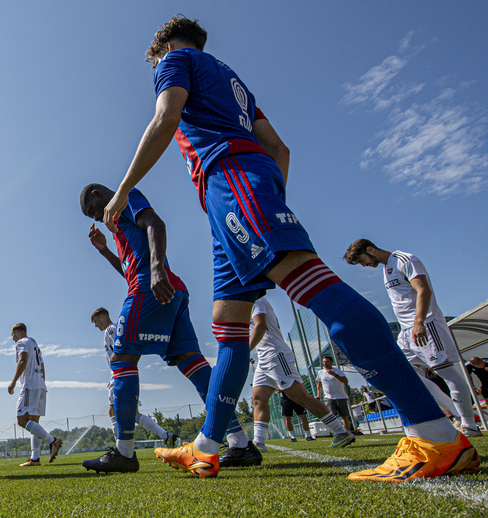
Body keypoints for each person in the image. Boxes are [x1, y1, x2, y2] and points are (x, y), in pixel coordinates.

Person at [106, 15, 476, 481]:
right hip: (240, 190)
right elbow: (279, 149)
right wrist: (270, 195)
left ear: (163, 48)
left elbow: (166, 117)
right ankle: (206, 447)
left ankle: (434, 435)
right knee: (227, 326)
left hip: (231, 180)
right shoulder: (235, 84)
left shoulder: (175, 60)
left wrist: (123, 191)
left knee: (314, 285)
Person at [80, 183, 259, 475]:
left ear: (99, 194)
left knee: (121, 359)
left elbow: (156, 223)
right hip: (170, 290)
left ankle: (124, 452)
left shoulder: (124, 198)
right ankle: (239, 441)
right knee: (193, 363)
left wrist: (156, 268)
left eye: (93, 210)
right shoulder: (119, 228)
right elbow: (128, 270)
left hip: (149, 287)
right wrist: (104, 251)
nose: (96, 217)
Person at [344, 240, 480, 438]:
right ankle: (456, 414)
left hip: (426, 324)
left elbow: (423, 289)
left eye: (361, 260)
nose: (363, 265)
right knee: (405, 374)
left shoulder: (405, 259)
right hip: (406, 331)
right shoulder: (387, 268)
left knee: (447, 372)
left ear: (370, 249)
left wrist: (419, 322)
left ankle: (470, 425)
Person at [249, 296, 354, 450]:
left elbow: (261, 326)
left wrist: (246, 351)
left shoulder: (256, 300)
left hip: (276, 355)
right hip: (263, 358)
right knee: (258, 399)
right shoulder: (246, 303)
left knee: (300, 397)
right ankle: (258, 444)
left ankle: (342, 432)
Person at [91, 308, 178, 447]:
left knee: (112, 411)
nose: (95, 325)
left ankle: (120, 448)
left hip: (120, 373)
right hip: (125, 372)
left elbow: (121, 350)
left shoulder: (110, 330)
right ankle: (166, 435)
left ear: (102, 318)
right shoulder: (116, 329)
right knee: (134, 414)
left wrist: (116, 374)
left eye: (96, 321)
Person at [6, 324, 63, 467]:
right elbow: (42, 366)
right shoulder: (34, 344)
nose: (12, 338)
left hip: (30, 386)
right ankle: (35, 459)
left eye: (12, 335)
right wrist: (41, 383)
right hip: (40, 385)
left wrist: (13, 382)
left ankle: (52, 441)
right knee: (34, 422)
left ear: (17, 333)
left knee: (21, 420)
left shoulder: (21, 343)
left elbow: (23, 361)